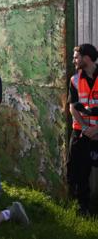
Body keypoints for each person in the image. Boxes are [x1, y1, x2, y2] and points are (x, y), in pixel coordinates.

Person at [67, 43, 98, 215]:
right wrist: (86, 128)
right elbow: (73, 108)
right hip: (82, 131)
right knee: (78, 169)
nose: (74, 60)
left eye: (76, 57)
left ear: (86, 58)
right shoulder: (75, 80)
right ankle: (83, 206)